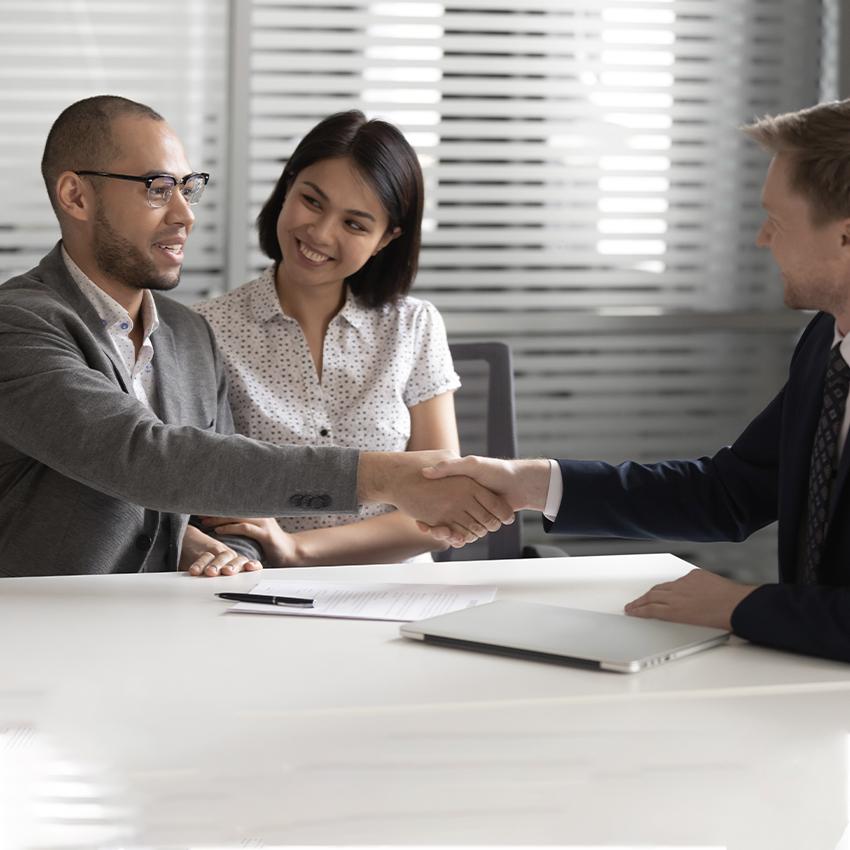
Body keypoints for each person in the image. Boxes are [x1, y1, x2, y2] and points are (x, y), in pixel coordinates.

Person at [0, 95, 514, 579]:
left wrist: (228, 555)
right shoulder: (18, 324)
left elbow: (223, 513)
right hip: (48, 624)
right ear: (76, 195)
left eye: (188, 188)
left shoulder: (188, 334)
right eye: (158, 188)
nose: (185, 215)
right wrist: (383, 476)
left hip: (179, 616)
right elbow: (145, 457)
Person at [422, 99, 850, 663]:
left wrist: (740, 605)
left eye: (778, 221)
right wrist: (531, 483)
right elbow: (729, 493)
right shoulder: (828, 341)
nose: (761, 240)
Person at [194, 111, 460, 568]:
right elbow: (199, 491)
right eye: (312, 201)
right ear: (288, 186)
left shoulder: (414, 326)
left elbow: (443, 507)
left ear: (385, 238)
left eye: (355, 224)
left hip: (397, 594)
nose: (320, 234)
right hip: (261, 588)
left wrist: (300, 549)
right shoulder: (205, 329)